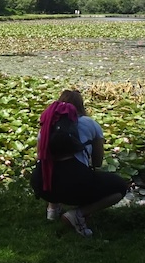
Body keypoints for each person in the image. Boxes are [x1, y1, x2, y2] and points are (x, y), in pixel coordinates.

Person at [30, 90, 128, 237]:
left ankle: (52, 211)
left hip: (41, 184)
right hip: (74, 185)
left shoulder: (48, 124)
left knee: (53, 166)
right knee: (119, 187)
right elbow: (98, 162)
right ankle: (77, 214)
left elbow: (40, 157)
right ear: (81, 106)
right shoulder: (90, 124)